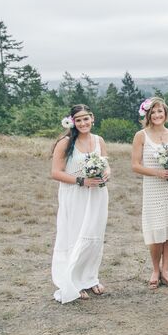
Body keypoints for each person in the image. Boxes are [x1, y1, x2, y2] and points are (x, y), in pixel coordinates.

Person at [50, 104, 109, 303]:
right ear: (72, 122)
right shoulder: (65, 143)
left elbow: (106, 165)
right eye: (79, 120)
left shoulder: (99, 140)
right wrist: (81, 181)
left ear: (92, 119)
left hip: (97, 195)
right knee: (75, 237)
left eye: (86, 118)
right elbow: (55, 172)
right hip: (74, 195)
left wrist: (106, 174)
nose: (83, 123)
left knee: (94, 237)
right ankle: (73, 282)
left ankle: (90, 277)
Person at [131, 97, 168, 289]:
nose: (157, 115)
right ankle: (155, 269)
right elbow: (135, 165)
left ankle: (166, 269)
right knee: (156, 230)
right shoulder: (141, 136)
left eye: (160, 111)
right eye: (153, 112)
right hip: (153, 188)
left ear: (165, 114)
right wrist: (158, 173)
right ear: (147, 115)